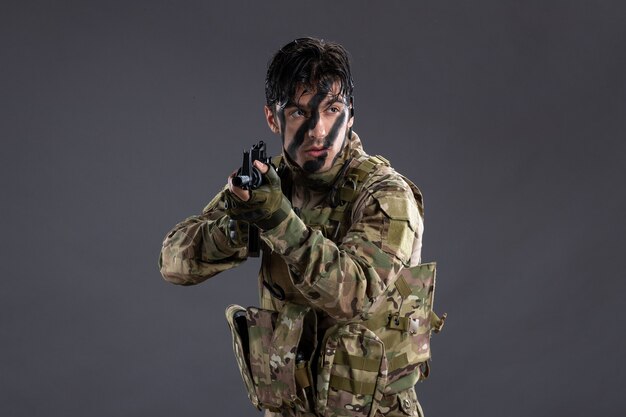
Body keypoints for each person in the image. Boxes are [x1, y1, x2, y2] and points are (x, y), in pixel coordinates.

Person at [159, 37, 433, 417]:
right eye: (300, 113)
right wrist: (241, 226)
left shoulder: (386, 194)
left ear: (350, 115)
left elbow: (354, 293)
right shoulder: (267, 185)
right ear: (273, 118)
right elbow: (174, 262)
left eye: (332, 110)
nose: (319, 131)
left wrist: (276, 220)